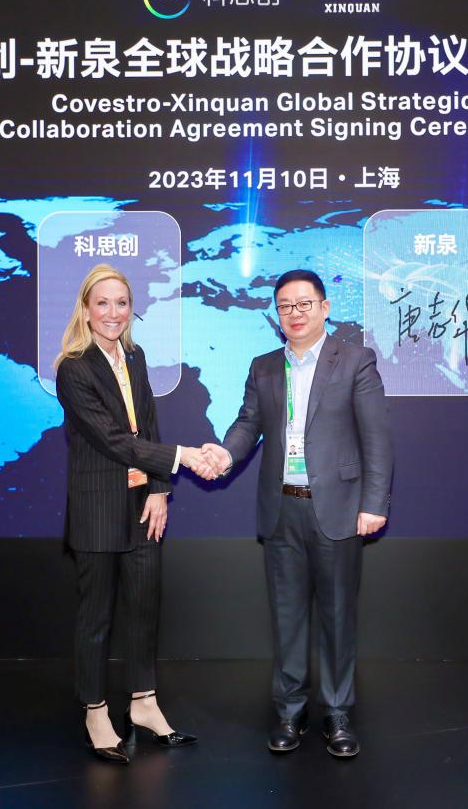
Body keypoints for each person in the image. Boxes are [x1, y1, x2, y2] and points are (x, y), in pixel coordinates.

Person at [203, 269, 393, 758]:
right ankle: (290, 712)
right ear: (277, 313)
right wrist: (224, 454)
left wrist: (374, 504)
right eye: (285, 305)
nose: (295, 313)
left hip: (338, 509)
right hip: (281, 508)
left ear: (325, 308)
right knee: (287, 618)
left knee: (337, 617)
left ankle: (337, 713)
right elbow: (247, 425)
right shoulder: (264, 367)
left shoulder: (356, 361)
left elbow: (376, 438)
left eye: (304, 303)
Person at [53, 263, 212, 764]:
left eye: (121, 303)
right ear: (85, 309)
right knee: (96, 618)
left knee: (144, 609)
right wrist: (183, 457)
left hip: (144, 504)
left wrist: (160, 489)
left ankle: (143, 704)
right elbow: (114, 440)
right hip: (98, 508)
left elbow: (148, 425)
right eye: (102, 303)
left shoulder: (135, 357)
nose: (113, 312)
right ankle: (95, 711)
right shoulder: (73, 368)